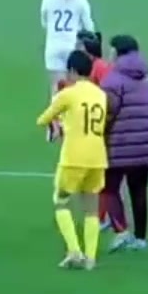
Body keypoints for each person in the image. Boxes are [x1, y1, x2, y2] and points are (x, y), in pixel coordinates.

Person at [37, 49, 110, 268]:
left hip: (73, 157)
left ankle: (74, 251)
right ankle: (91, 258)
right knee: (91, 208)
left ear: (72, 70)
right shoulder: (101, 95)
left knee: (61, 202)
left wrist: (59, 121)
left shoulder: (68, 94)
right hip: (97, 157)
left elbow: (43, 119)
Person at [100, 34, 148, 251]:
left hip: (118, 145)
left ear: (117, 52)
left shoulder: (112, 81)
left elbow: (107, 112)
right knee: (139, 191)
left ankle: (121, 230)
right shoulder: (146, 81)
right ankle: (141, 239)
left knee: (109, 188)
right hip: (143, 145)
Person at [39, 0, 97, 111]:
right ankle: (73, 117)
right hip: (72, 46)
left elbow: (44, 22)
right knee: (74, 86)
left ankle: (54, 121)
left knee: (56, 87)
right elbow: (89, 27)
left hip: (53, 46)